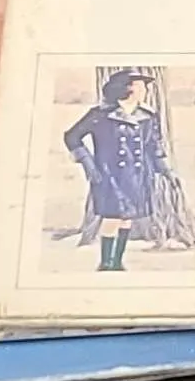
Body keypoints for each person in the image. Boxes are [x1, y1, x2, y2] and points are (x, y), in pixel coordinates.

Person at [64, 71, 169, 275]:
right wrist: (88, 164)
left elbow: (154, 146)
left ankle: (117, 262)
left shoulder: (147, 116)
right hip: (108, 176)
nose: (145, 90)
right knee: (112, 218)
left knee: (126, 218)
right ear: (127, 88)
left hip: (138, 176)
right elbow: (72, 137)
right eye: (140, 85)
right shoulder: (100, 115)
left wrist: (165, 169)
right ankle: (106, 262)